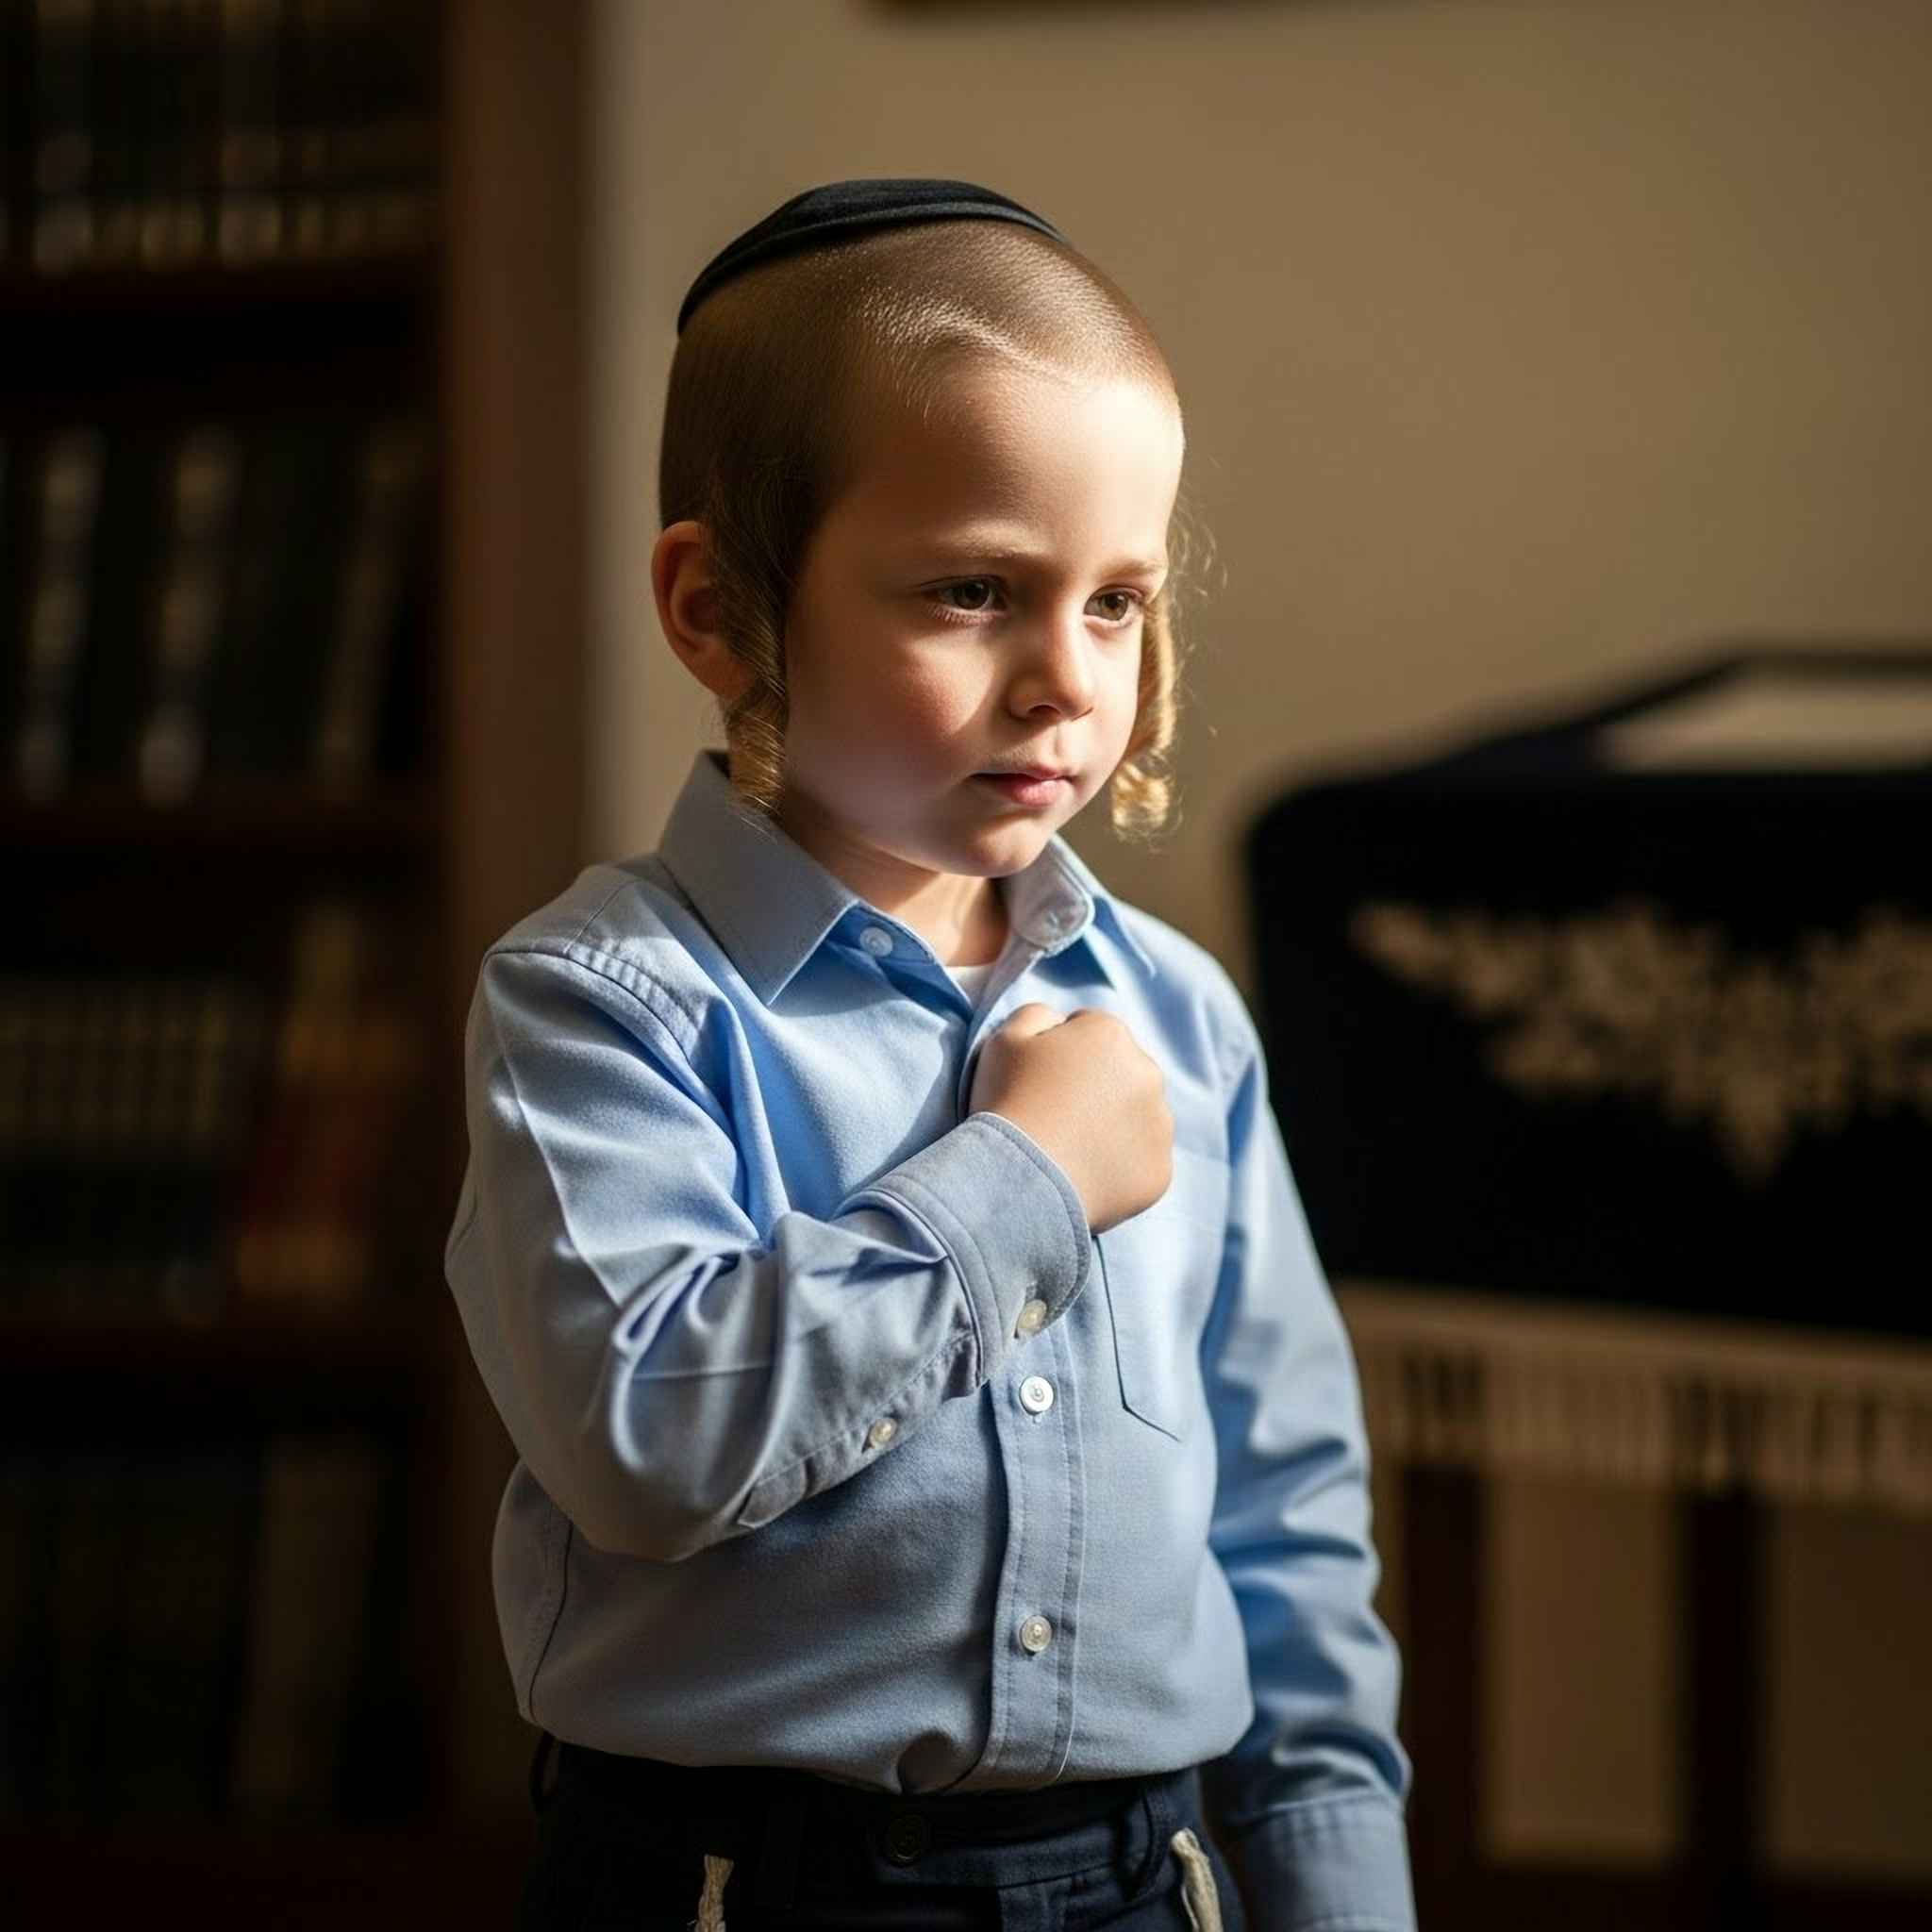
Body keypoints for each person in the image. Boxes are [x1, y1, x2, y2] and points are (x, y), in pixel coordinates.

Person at [446, 178, 1414, 1932]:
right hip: (733, 1887)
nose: (1065, 681)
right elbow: (651, 1442)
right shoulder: (599, 1007)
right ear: (718, 608)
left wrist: (1342, 1898)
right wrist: (1024, 1181)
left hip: (1144, 1882)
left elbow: (1287, 1518)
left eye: (1115, 602)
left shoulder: (1180, 1016)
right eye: (974, 590)